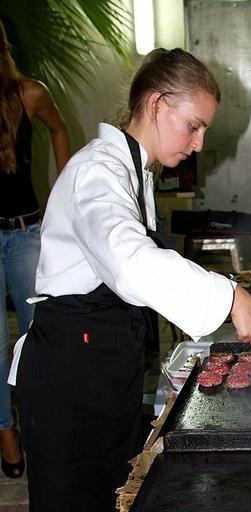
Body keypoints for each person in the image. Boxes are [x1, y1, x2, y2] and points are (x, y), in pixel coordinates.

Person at [10, 47, 251, 511]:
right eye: (194, 125)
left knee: (119, 497)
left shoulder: (136, 174)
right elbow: (130, 260)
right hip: (72, 384)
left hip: (107, 373)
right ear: (156, 104)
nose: (198, 144)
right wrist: (230, 295)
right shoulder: (98, 171)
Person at [0, 21, 70, 479]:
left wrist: (62, 196)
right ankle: (7, 434)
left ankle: (47, 430)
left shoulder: (30, 93)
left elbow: (60, 131)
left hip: (26, 234)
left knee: (37, 339)